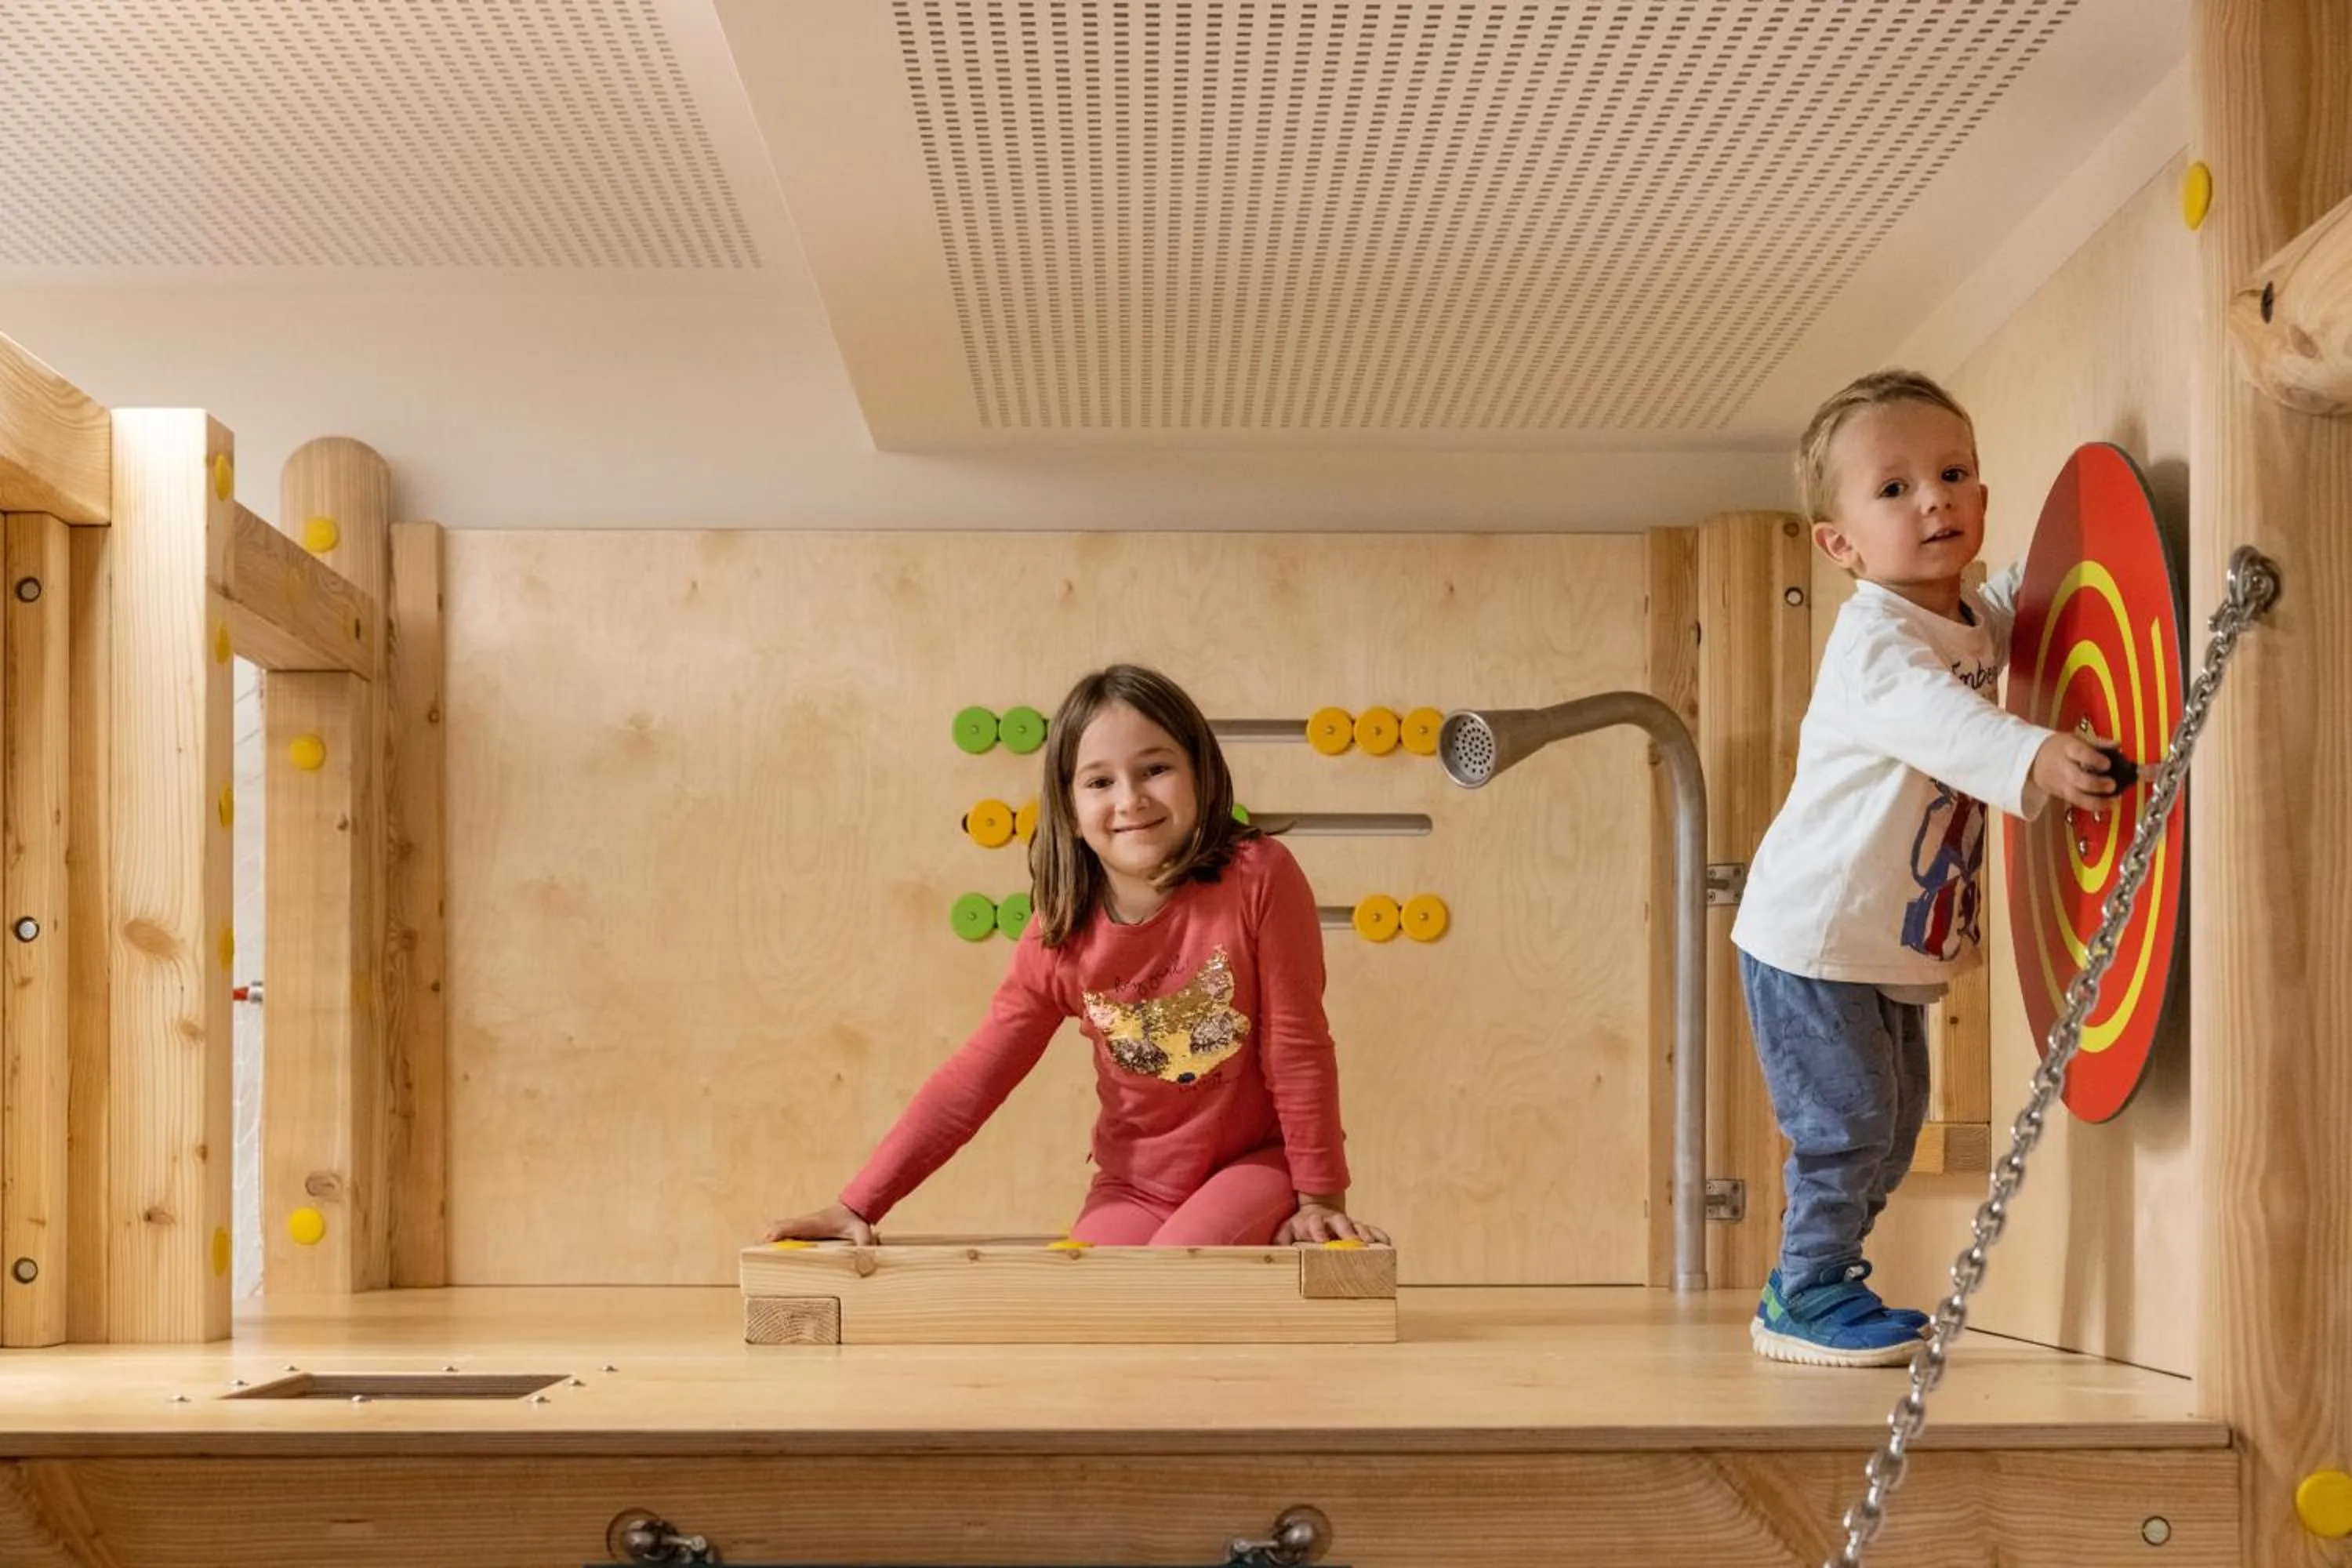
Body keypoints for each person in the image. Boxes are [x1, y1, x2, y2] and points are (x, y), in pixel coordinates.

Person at [1733, 369, 2122, 1367]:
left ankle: (1821, 1277)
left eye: (1953, 474)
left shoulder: (1964, 621)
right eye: (1895, 489)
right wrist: (2033, 753)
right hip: (1813, 935)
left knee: (1895, 1124)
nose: (1935, 500)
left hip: (1875, 943)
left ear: (1983, 499)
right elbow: (1941, 717)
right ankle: (1804, 1291)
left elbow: (2017, 598)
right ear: (1841, 544)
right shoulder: (1874, 640)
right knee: (1850, 1118)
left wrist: (2087, 541)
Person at [764, 663, 1388, 1250]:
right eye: (1099, 781)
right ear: (1068, 807)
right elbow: (974, 1080)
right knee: (1084, 1291)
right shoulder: (1059, 934)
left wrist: (1318, 1199)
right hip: (1135, 1186)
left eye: (1155, 769)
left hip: (1256, 1166)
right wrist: (860, 1204)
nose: (1130, 799)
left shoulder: (1258, 878)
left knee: (1169, 1271)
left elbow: (1297, 1045)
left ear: (1200, 771)